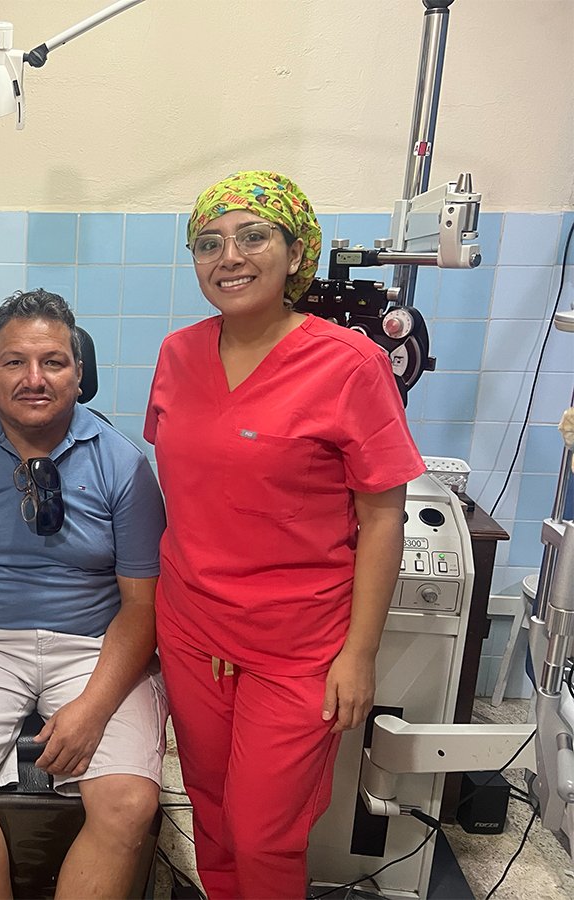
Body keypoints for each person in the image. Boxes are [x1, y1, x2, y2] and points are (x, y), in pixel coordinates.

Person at [144, 170, 425, 898]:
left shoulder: (350, 364)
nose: (228, 257)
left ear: (297, 252)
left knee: (264, 829)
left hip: (298, 646)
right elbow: (187, 490)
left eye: (252, 236)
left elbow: (382, 516)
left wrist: (358, 654)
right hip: (191, 630)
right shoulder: (177, 355)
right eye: (208, 243)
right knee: (209, 810)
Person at [0, 290, 168, 899]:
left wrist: (92, 709)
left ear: (79, 373)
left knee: (128, 801)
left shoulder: (124, 466)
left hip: (97, 642)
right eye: (15, 362)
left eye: (54, 362)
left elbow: (143, 605)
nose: (34, 379)